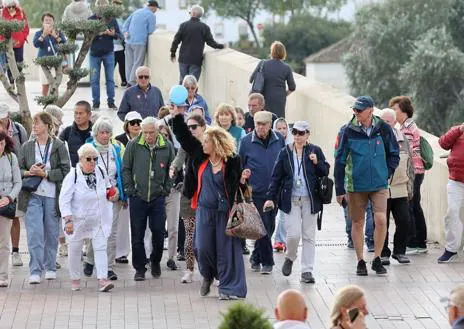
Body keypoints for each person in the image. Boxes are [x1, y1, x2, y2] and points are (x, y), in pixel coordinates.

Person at [172, 106, 248, 300]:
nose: (203, 143)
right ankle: (207, 274)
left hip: (225, 212)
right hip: (204, 210)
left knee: (226, 251)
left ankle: (228, 288)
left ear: (216, 143)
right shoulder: (199, 155)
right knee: (202, 248)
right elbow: (183, 137)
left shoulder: (232, 160)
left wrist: (242, 178)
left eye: (206, 141)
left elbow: (237, 184)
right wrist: (177, 115)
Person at [334, 96, 400, 276]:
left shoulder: (383, 128)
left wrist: (386, 173)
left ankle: (377, 258)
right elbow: (339, 161)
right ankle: (360, 260)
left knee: (381, 219)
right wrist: (339, 189)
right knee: (357, 222)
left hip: (379, 184)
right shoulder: (348, 130)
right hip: (356, 185)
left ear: (370, 110)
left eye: (359, 110)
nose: (356, 113)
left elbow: (394, 154)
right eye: (354, 110)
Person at [265, 121, 329, 283]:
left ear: (308, 134)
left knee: (309, 236)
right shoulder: (285, 152)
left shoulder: (315, 150)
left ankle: (307, 271)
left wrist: (317, 162)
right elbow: (276, 177)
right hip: (291, 199)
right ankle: (290, 257)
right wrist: (270, 198)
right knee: (293, 235)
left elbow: (325, 171)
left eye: (301, 133)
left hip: (310, 200)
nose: (298, 136)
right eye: (295, 133)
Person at [18, 112, 70, 284]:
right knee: (35, 233)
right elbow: (17, 170)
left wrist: (46, 174)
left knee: (51, 231)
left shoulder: (59, 145)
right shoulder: (26, 146)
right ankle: (35, 269)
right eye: (33, 123)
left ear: (48, 125)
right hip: (32, 194)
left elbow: (66, 171)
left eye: (37, 123)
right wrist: (29, 172)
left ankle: (50, 267)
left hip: (52, 195)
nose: (34, 126)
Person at [59, 143, 117, 292]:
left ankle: (103, 280)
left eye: (95, 159)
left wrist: (112, 193)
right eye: (89, 159)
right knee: (75, 249)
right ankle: (75, 279)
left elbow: (107, 187)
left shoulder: (101, 171)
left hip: (98, 218)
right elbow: (64, 199)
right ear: (80, 159)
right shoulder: (73, 175)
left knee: (101, 247)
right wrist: (68, 220)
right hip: (78, 220)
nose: (92, 162)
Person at [123, 116, 175, 281]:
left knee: (159, 232)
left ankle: (155, 261)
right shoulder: (133, 145)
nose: (148, 136)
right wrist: (131, 190)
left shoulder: (166, 146)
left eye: (151, 132)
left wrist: (165, 189)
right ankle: (139, 268)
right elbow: (126, 169)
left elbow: (172, 170)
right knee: (137, 234)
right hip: (138, 197)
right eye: (145, 132)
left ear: (158, 131)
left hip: (157, 197)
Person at [239, 111, 285, 274]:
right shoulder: (245, 142)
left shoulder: (279, 139)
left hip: (275, 191)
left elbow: (284, 163)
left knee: (269, 226)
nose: (260, 128)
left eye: (263, 125)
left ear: (270, 125)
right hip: (256, 192)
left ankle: (256, 257)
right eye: (258, 124)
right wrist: (244, 185)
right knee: (262, 225)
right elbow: (240, 165)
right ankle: (267, 261)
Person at [82, 117, 126, 281]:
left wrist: (120, 193)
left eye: (108, 132)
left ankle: (108, 267)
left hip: (113, 195)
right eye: (102, 132)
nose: (105, 135)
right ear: (96, 133)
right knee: (97, 230)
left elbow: (120, 172)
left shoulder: (115, 149)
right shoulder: (88, 149)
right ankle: (90, 259)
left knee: (111, 232)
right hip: (95, 197)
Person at [170, 113, 207, 283]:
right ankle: (190, 270)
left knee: (205, 238)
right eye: (189, 127)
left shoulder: (210, 143)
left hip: (207, 196)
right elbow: (179, 158)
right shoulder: (186, 144)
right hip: (189, 194)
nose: (191, 130)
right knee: (190, 235)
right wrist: (174, 168)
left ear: (203, 127)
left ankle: (209, 271)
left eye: (194, 127)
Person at [389, 96, 428, 255]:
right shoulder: (407, 126)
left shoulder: (407, 129)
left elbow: (407, 154)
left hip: (413, 172)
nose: (393, 113)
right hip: (417, 171)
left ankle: (415, 242)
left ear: (403, 111)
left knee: (411, 206)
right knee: (415, 205)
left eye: (395, 109)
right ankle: (420, 242)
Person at [379, 108, 413, 265]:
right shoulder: (375, 139)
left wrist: (410, 188)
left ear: (394, 122)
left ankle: (399, 252)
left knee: (404, 221)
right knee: (382, 223)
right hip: (381, 189)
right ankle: (383, 253)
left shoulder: (403, 139)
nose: (385, 124)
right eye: (383, 121)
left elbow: (410, 165)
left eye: (388, 121)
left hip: (400, 188)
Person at [213, 103, 247, 255]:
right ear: (217, 117)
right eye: (221, 114)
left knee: (237, 208)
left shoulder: (239, 132)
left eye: (227, 114)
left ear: (232, 117)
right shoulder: (213, 132)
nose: (224, 117)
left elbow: (243, 152)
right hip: (217, 174)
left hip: (235, 174)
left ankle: (241, 241)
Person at [0, 103, 27, 267]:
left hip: (12, 180)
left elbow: (23, 149)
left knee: (14, 217)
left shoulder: (18, 129)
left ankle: (16, 251)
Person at [170, 4, 224, 84]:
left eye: (190, 12)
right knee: (192, 83)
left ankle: (181, 96)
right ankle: (191, 96)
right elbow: (211, 42)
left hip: (183, 59)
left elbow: (176, 41)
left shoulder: (183, 26)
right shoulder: (204, 27)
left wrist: (173, 53)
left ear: (193, 13)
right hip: (196, 60)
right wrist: (221, 46)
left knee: (182, 82)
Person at [437, 122, 464, 263]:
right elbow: (443, 143)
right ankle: (451, 250)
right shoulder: (458, 130)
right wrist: (459, 129)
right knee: (452, 213)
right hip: (456, 181)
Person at [250, 41, 296, 118]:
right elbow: (292, 87)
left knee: (262, 119)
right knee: (277, 121)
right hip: (279, 99)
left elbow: (251, 79)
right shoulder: (286, 68)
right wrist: (284, 94)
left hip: (263, 98)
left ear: (272, 52)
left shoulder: (263, 64)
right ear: (283, 53)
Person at [88, 2, 121, 111]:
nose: (102, 6)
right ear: (96, 5)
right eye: (100, 4)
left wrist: (113, 34)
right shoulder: (91, 19)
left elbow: (119, 36)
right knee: (94, 79)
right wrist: (99, 33)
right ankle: (96, 103)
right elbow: (86, 36)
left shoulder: (112, 19)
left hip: (109, 53)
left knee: (110, 79)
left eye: (104, 4)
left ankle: (111, 102)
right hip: (94, 54)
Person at [0, 132, 21, 288]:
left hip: (5, 204)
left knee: (3, 242)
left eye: (1, 144)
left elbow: (18, 182)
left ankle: (3, 275)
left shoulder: (11, 158)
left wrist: (9, 198)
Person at [123, 0, 159, 86]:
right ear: (153, 7)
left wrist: (126, 32)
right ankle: (131, 82)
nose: (156, 10)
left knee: (129, 63)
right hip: (140, 42)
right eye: (156, 8)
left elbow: (125, 24)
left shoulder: (137, 11)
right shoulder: (151, 15)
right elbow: (150, 30)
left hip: (128, 40)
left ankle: (128, 80)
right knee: (138, 62)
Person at [33, 12, 67, 96]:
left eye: (50, 20)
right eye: (46, 20)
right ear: (43, 22)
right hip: (44, 63)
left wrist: (56, 36)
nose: (48, 22)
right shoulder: (38, 33)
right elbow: (36, 44)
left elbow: (64, 44)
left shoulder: (58, 32)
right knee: (45, 85)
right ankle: (45, 104)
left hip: (56, 62)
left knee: (55, 85)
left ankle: (55, 102)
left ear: (53, 22)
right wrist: (43, 35)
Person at [272, 117, 293, 252]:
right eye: (278, 128)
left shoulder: (293, 143)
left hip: (287, 184)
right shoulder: (273, 144)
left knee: (284, 214)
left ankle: (280, 240)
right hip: (274, 183)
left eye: (284, 128)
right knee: (271, 213)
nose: (282, 131)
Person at [0, 0, 29, 84]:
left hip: (19, 43)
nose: (11, 8)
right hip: (7, 43)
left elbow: (26, 26)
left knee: (19, 61)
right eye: (9, 7)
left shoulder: (21, 12)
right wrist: (2, 40)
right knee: (9, 63)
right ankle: (12, 82)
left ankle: (19, 81)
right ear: (6, 6)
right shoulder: (2, 13)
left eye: (13, 6)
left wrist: (23, 37)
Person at [59, 101, 93, 167]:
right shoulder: (67, 132)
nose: (77, 116)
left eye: (80, 113)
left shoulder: (96, 132)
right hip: (73, 171)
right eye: (76, 113)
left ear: (89, 114)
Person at [112, 0, 127, 87]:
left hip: (120, 44)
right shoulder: (111, 18)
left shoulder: (120, 18)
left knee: (122, 64)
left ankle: (124, 80)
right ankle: (110, 82)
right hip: (113, 44)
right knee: (113, 65)